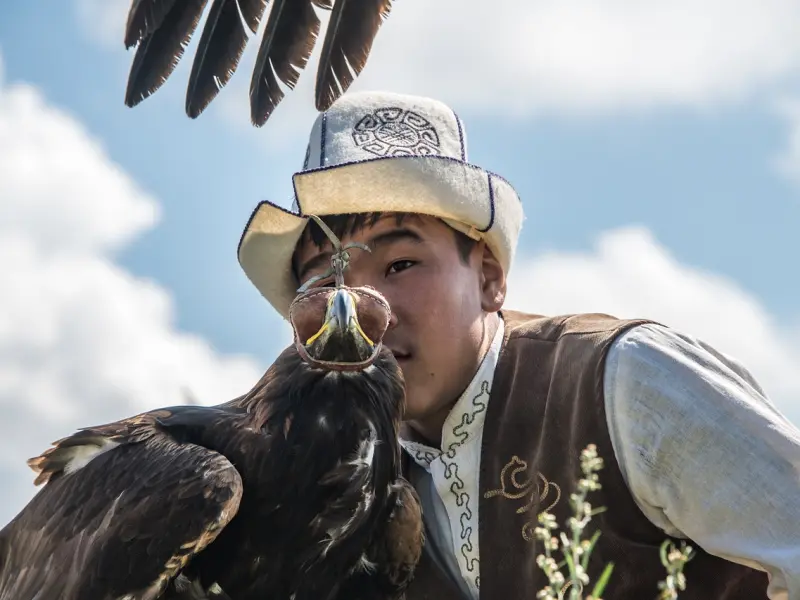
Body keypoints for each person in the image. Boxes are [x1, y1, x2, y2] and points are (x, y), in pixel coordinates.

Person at [237, 91, 799, 599]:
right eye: (326, 286)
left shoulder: (624, 380)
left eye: (401, 263)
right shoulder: (329, 483)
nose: (364, 312)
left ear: (488, 278)